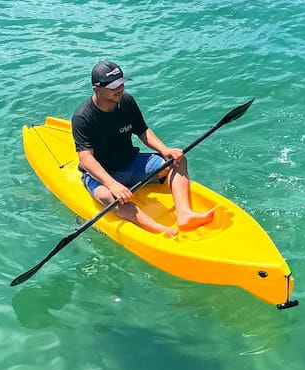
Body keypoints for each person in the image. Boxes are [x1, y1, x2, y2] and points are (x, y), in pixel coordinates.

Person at [72, 60, 215, 237]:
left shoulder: (126, 102)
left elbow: (143, 131)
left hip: (132, 163)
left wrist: (165, 150)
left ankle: (185, 214)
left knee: (178, 161)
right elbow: (85, 158)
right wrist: (113, 184)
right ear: (96, 89)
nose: (120, 88)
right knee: (109, 197)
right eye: (113, 86)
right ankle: (160, 230)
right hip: (104, 174)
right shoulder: (83, 117)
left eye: (121, 83)